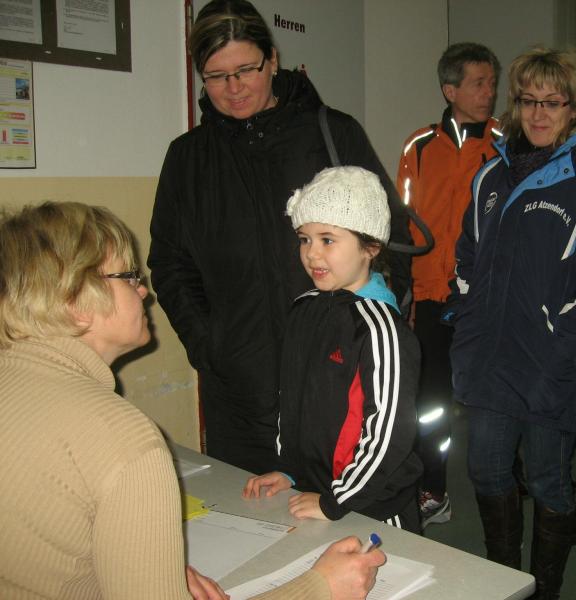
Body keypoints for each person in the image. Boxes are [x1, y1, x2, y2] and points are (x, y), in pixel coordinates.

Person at [0, 201, 386, 600]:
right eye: (128, 277)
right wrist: (320, 587)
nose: (144, 290)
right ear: (78, 302)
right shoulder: (121, 438)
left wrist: (141, 570)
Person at [148, 0, 411, 475]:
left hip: (334, 382)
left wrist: (369, 339)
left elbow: (389, 238)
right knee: (246, 510)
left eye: (245, 70)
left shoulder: (332, 134)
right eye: (215, 76)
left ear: (272, 59)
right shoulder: (188, 158)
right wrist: (209, 346)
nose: (233, 88)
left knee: (339, 507)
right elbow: (170, 264)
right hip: (239, 393)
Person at [448, 48, 576, 599]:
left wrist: (564, 334)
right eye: (529, 100)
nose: (538, 114)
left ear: (574, 108)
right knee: (487, 471)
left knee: (546, 479)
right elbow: (468, 254)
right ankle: (507, 583)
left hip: (550, 362)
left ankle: (545, 590)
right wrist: (466, 311)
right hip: (489, 357)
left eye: (552, 102)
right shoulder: (491, 175)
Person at [242, 167, 423, 532]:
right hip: (318, 494)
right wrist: (289, 470)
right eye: (304, 239)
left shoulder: (380, 329)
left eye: (327, 240)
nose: (312, 254)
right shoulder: (304, 309)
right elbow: (292, 400)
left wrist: (338, 500)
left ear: (370, 247)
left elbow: (389, 434)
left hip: (371, 506)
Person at [395, 41, 501, 528]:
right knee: (431, 404)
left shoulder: (508, 144)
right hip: (431, 298)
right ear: (450, 90)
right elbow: (403, 223)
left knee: (494, 398)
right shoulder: (418, 147)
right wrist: (405, 289)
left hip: (486, 299)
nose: (489, 92)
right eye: (479, 83)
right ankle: (433, 490)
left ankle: (505, 482)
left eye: (492, 83)